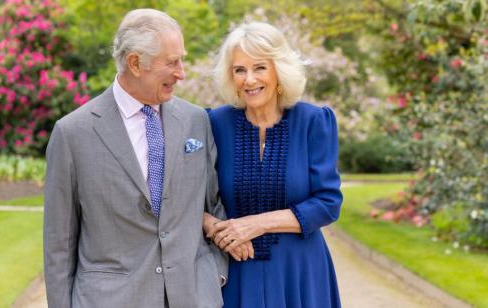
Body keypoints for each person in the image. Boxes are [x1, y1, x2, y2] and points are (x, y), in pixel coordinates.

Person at [43, 9, 228, 308]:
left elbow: (213, 204)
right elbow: (59, 244)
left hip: (192, 297)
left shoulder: (196, 120)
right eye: (172, 62)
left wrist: (214, 274)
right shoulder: (72, 133)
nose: (182, 72)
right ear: (135, 63)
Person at [204, 22, 343, 307]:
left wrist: (256, 224)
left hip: (301, 274)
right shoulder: (213, 124)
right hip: (236, 271)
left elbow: (328, 203)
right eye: (239, 70)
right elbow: (188, 197)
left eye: (259, 68)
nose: (249, 79)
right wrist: (218, 229)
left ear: (279, 70)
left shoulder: (314, 121)